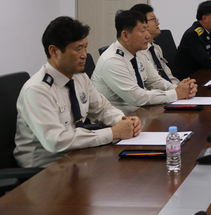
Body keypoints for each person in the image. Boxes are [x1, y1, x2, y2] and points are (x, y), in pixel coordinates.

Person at [15, 17, 141, 168]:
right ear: (54, 51)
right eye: (78, 48)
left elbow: (103, 110)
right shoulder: (37, 90)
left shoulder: (80, 78)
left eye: (85, 47)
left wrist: (124, 121)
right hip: (45, 169)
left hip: (76, 157)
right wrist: (113, 133)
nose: (84, 55)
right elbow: (56, 141)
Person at [92, 10, 197, 114]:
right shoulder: (112, 60)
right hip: (119, 120)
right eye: (143, 31)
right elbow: (137, 97)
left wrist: (183, 89)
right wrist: (176, 93)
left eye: (147, 30)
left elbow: (156, 81)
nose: (148, 35)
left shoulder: (139, 53)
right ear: (125, 35)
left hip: (141, 113)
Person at [130, 3, 179, 85]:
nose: (158, 23)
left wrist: (181, 86)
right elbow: (150, 84)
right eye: (154, 20)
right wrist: (176, 90)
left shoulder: (156, 48)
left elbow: (168, 76)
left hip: (168, 88)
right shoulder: (137, 52)